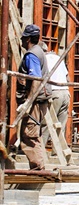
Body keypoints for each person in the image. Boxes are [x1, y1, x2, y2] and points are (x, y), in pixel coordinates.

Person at [16, 24, 51, 170]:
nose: (22, 41)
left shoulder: (32, 55)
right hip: (41, 98)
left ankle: (38, 170)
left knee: (29, 135)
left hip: (36, 101)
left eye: (24, 38)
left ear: (28, 38)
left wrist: (28, 102)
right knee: (34, 134)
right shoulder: (39, 52)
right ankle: (38, 168)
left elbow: (35, 78)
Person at [42, 46, 71, 149]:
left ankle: (40, 151)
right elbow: (68, 78)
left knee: (46, 124)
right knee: (60, 126)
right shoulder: (58, 58)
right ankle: (57, 151)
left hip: (54, 92)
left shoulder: (43, 59)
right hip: (65, 92)